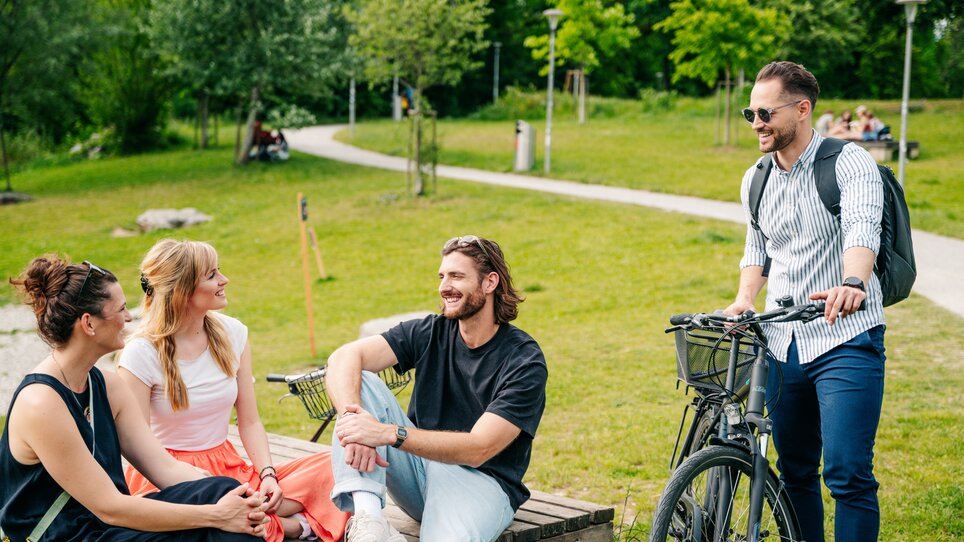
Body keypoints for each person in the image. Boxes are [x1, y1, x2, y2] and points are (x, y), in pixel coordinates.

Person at [728, 61, 886, 542]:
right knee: (794, 472)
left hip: (845, 337)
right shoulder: (755, 178)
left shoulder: (848, 161)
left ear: (802, 109)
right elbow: (758, 247)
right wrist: (743, 300)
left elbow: (862, 227)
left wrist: (853, 283)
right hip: (781, 342)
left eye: (765, 112)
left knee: (846, 472)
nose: (756, 122)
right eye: (749, 112)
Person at [1, 256, 268, 541]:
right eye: (121, 309)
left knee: (222, 491)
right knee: (221, 530)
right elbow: (110, 508)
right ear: (89, 324)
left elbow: (164, 468)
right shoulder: (41, 404)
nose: (129, 318)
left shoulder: (107, 386)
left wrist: (241, 499)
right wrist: (217, 514)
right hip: (72, 535)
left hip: (108, 525)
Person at [117, 240, 350, 542]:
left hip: (230, 466)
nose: (224, 280)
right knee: (220, 515)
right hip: (167, 476)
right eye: (212, 274)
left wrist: (267, 475)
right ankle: (293, 527)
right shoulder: (141, 352)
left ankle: (270, 521)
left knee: (339, 463)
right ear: (183, 290)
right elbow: (139, 442)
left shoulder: (233, 333)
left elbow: (249, 421)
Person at [325, 236, 548, 542]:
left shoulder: (523, 360)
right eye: (442, 276)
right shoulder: (429, 331)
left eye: (457, 276)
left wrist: (389, 434)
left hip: (483, 482)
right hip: (419, 468)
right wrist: (355, 424)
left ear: (489, 282)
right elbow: (343, 357)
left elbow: (479, 449)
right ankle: (369, 523)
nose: (444, 286)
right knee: (360, 384)